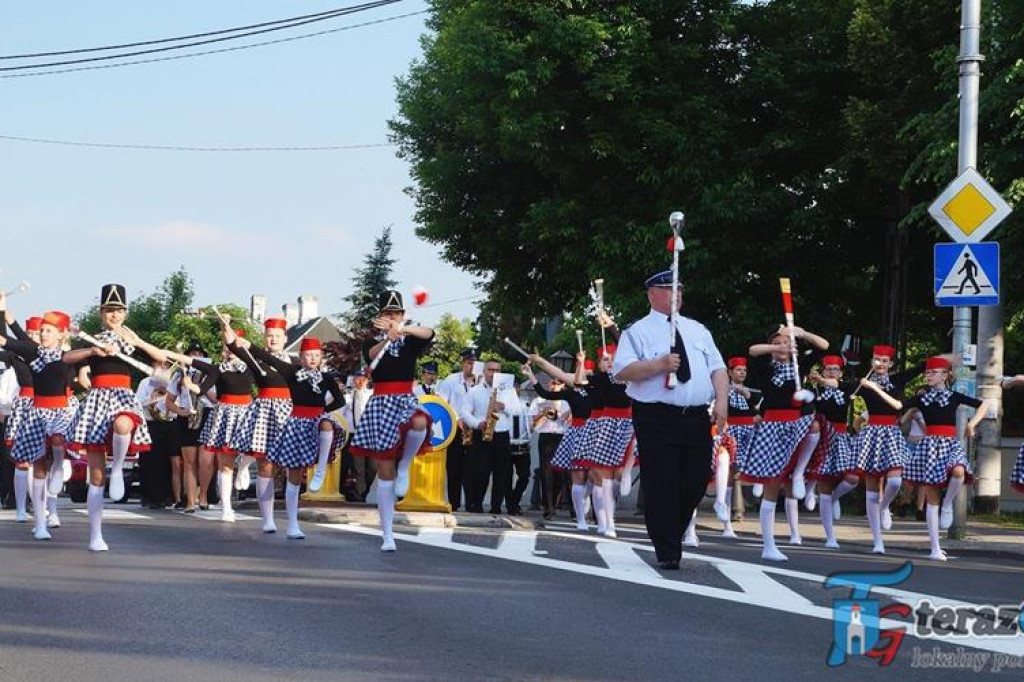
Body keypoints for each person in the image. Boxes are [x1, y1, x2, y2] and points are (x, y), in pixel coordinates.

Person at [613, 269, 728, 570]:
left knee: (696, 478)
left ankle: (670, 532)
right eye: (668, 289)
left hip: (695, 415)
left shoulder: (698, 330)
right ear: (652, 294)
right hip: (656, 415)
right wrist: (657, 365)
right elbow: (621, 371)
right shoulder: (637, 331)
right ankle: (667, 548)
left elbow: (718, 368)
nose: (675, 294)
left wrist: (722, 402)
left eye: (679, 289)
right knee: (662, 480)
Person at [66, 283, 166, 551]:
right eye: (109, 310)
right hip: (98, 399)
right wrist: (92, 352)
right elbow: (67, 357)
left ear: (125, 313)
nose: (114, 315)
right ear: (102, 313)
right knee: (96, 475)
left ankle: (119, 467)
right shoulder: (91, 339)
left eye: (118, 310)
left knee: (124, 423)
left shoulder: (132, 341)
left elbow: (161, 360)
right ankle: (95, 535)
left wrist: (138, 342)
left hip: (123, 396)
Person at [226, 333, 345, 539]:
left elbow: (340, 401)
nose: (313, 359)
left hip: (316, 421)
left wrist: (322, 408)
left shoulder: (326, 377)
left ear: (321, 358)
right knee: (294, 473)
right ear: (301, 357)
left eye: (316, 355)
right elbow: (270, 359)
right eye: (308, 355)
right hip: (296, 424)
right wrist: (250, 346)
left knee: (327, 425)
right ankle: (291, 524)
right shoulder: (292, 372)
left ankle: (321, 469)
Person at [349, 290, 434, 552]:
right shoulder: (371, 341)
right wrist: (387, 336)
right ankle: (388, 534)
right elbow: (371, 356)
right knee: (385, 472)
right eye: (387, 313)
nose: (392, 317)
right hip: (381, 401)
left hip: (405, 397)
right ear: (380, 317)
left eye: (396, 313)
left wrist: (404, 330)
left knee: (420, 422)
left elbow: (429, 333)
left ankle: (406, 466)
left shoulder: (410, 340)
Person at [742, 325, 828, 560]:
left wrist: (802, 334)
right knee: (772, 484)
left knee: (814, 425)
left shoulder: (799, 365)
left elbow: (825, 346)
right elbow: (752, 350)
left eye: (786, 343)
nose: (783, 346)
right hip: (773, 426)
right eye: (777, 343)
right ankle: (768, 546)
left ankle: (800, 472)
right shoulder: (764, 366)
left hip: (797, 423)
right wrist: (778, 345)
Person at [0, 309, 80, 540]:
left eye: (46, 330)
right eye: (39, 330)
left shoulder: (66, 355)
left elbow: (83, 363)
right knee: (29, 462)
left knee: (57, 447)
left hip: (62, 406)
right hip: (32, 408)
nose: (40, 335)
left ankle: (52, 510)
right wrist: (3, 311)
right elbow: (12, 341)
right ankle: (32, 516)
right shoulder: (29, 353)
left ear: (60, 334)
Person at [904, 356, 988, 561]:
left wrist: (972, 424)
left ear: (944, 375)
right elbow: (898, 405)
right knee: (932, 496)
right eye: (927, 373)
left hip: (950, 443)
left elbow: (984, 404)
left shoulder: (954, 396)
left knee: (959, 472)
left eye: (933, 373)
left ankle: (948, 503)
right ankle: (934, 548)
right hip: (930, 445)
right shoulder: (921, 398)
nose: (928, 376)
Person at [170, 324, 255, 523]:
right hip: (223, 414)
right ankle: (225, 507)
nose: (230, 351)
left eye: (234, 348)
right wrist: (191, 385)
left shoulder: (251, 367)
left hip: (246, 414)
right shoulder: (216, 369)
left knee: (253, 451)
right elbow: (202, 391)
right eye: (227, 348)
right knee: (223, 462)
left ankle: (242, 469)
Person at [854, 345, 935, 554]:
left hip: (891, 432)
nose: (880, 363)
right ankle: (877, 541)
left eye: (884, 360)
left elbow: (921, 367)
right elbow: (837, 385)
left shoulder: (897, 379)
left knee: (895, 480)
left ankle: (885, 507)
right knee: (871, 490)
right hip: (871, 434)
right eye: (876, 359)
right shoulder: (863, 383)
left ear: (890, 363)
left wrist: (947, 358)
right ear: (871, 361)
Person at [227, 318, 293, 528]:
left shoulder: (294, 362)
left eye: (277, 335)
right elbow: (232, 345)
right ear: (265, 337)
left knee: (293, 467)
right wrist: (225, 324)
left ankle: (292, 521)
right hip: (265, 410)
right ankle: (268, 519)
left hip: (288, 411)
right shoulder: (255, 359)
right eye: (269, 335)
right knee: (266, 465)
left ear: (285, 338)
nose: (273, 339)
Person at [574, 346, 634, 538]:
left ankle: (626, 473)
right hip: (609, 423)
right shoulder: (602, 379)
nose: (610, 363)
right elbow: (578, 381)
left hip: (630, 421)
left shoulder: (630, 376)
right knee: (605, 478)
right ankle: (609, 523)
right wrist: (581, 363)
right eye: (606, 360)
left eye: (613, 359)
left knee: (635, 444)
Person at [804, 355, 859, 549]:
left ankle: (835, 498)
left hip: (843, 438)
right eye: (828, 369)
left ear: (841, 373)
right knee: (825, 485)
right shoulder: (814, 389)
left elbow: (844, 385)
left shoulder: (847, 388)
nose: (832, 372)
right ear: (822, 370)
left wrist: (823, 380)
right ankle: (830, 536)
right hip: (823, 439)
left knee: (853, 478)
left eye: (836, 369)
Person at [460, 359, 523, 515]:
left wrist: (504, 407)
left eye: (497, 370)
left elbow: (518, 410)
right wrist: (477, 423)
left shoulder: (509, 391)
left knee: (502, 474)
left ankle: (496, 507)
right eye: (490, 370)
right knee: (480, 472)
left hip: (501, 434)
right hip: (482, 433)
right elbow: (465, 412)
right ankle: (477, 503)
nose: (494, 373)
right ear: (484, 371)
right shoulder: (475, 391)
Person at [522, 360, 573, 520]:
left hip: (562, 438)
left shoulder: (566, 401)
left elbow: (569, 422)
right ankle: (548, 510)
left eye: (557, 383)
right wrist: (543, 413)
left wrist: (559, 412)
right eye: (552, 382)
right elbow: (532, 425)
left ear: (562, 385)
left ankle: (564, 506)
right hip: (545, 437)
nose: (554, 385)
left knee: (563, 475)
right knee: (546, 474)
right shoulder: (539, 401)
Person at [165, 341, 211, 513]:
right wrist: (181, 411)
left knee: (205, 461)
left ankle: (204, 495)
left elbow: (215, 399)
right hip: (187, 416)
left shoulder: (210, 374)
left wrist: (198, 388)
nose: (196, 357)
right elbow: (168, 401)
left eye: (199, 355)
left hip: (206, 414)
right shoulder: (179, 376)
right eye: (192, 354)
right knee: (189, 462)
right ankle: (190, 500)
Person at [436, 348, 477, 510]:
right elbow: (443, 404)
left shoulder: (480, 382)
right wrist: (458, 419)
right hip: (456, 429)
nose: (471, 367)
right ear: (463, 363)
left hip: (474, 429)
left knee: (472, 469)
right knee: (454, 468)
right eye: (468, 363)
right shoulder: (451, 380)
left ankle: (471, 503)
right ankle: (454, 502)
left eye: (474, 363)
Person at [135, 359, 176, 509]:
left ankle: (167, 495)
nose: (161, 368)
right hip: (151, 424)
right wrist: (151, 398)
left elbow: (180, 405)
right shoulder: (145, 383)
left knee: (167, 462)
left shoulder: (173, 383)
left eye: (164, 365)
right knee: (149, 462)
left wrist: (167, 395)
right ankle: (149, 496)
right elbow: (137, 404)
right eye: (157, 365)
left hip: (169, 423)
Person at [340, 371, 375, 501]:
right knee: (357, 466)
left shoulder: (372, 395)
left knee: (372, 466)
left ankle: (368, 491)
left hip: (370, 434)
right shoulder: (348, 396)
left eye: (364, 379)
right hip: (354, 433)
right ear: (353, 379)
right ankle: (360, 494)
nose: (360, 381)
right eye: (358, 378)